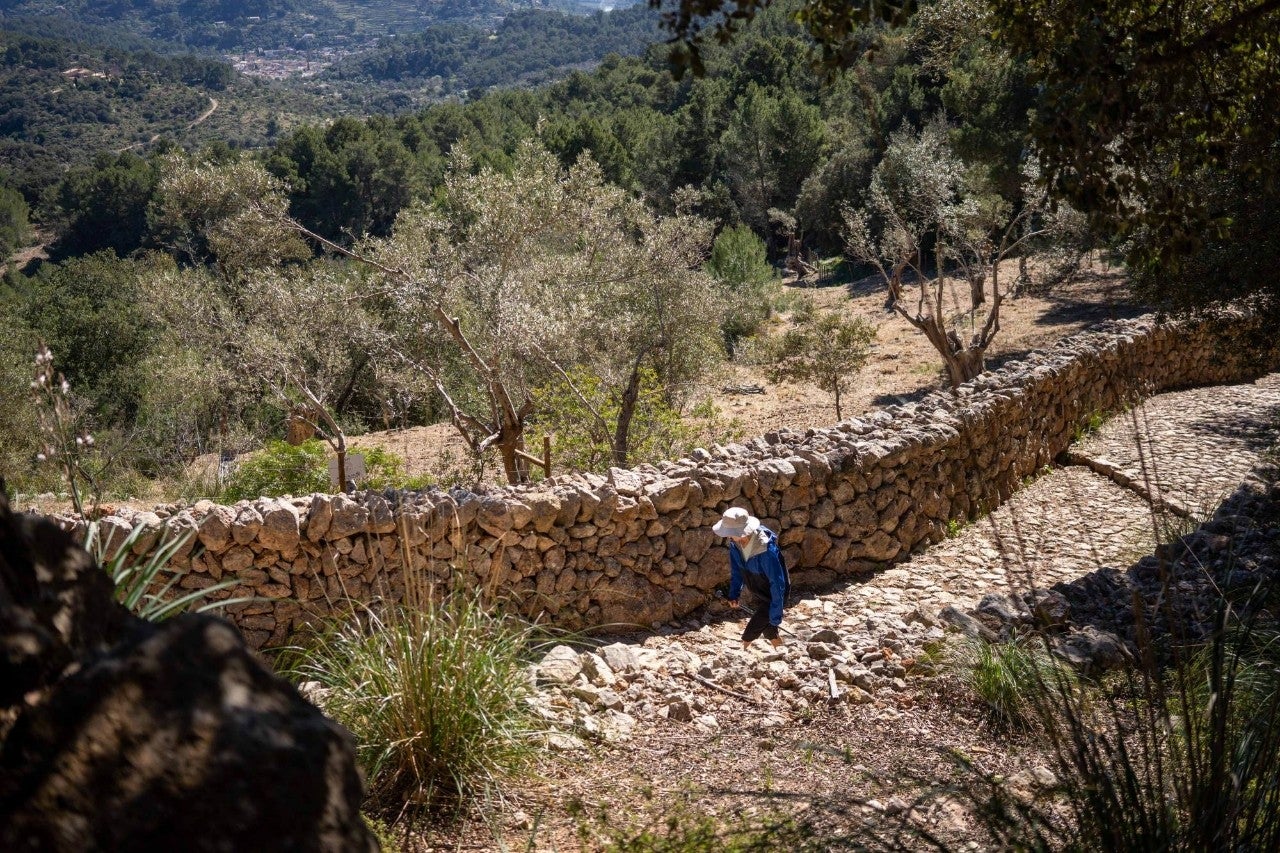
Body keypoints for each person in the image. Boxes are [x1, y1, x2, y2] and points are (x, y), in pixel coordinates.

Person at [712, 507, 790, 649]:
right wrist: (734, 594)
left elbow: (777, 584)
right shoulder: (735, 544)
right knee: (767, 622)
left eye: (731, 533)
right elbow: (737, 570)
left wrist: (776, 617)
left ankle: (744, 646)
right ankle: (780, 647)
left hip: (775, 591)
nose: (728, 537)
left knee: (762, 618)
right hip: (757, 587)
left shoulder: (766, 550)